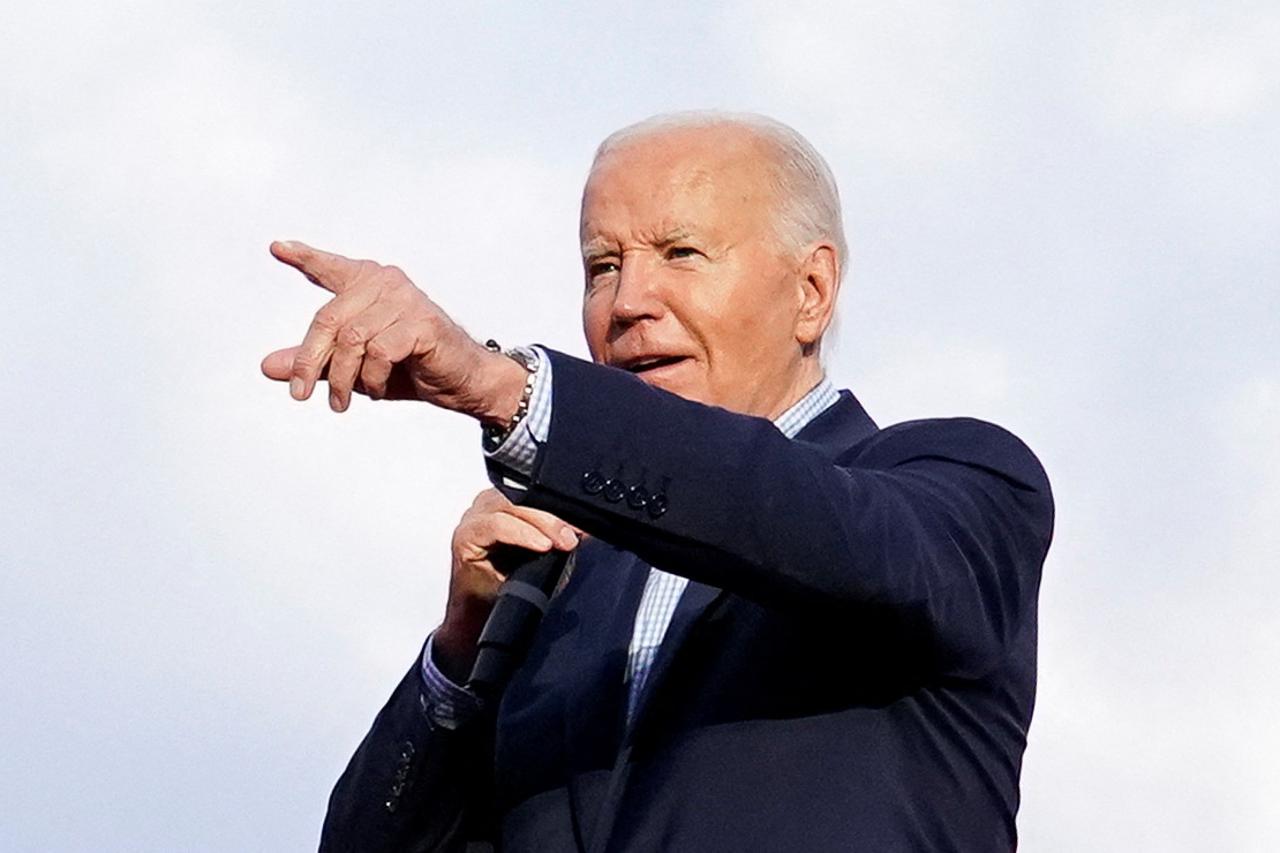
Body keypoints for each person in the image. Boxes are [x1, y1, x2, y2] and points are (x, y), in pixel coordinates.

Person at [261, 112, 1055, 852]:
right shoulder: (554, 578)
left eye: (681, 253)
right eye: (602, 267)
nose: (628, 303)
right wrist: (460, 655)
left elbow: (781, 509)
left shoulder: (962, 487)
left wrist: (501, 387)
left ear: (810, 292)